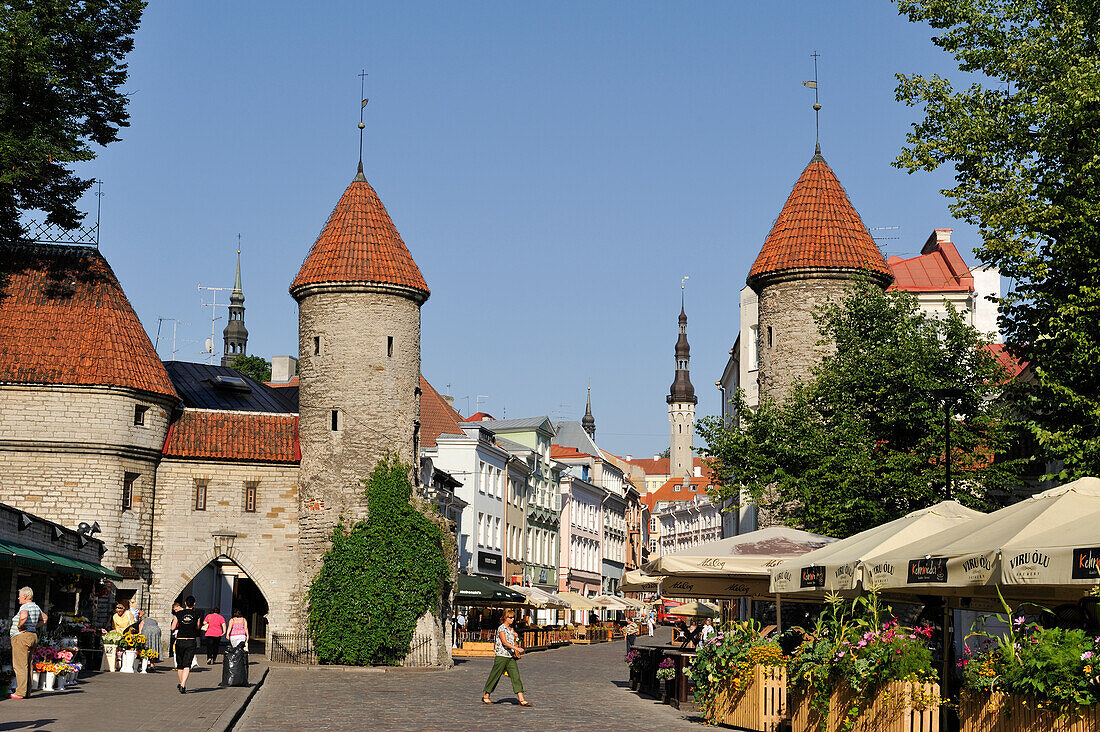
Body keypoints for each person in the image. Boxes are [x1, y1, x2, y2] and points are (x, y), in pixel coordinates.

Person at [481, 609, 532, 707]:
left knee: (515, 676)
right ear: (505, 618)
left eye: (513, 617)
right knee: (495, 676)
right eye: (510, 617)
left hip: (510, 656)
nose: (512, 619)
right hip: (501, 656)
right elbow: (504, 642)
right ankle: (486, 695)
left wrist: (516, 637)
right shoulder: (501, 628)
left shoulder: (510, 629)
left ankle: (521, 699)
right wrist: (517, 648)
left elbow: (513, 640)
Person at [9, 586, 47, 700]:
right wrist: (34, 626)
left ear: (25, 596)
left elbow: (24, 616)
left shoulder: (25, 606)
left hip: (21, 637)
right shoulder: (36, 607)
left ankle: (20, 692)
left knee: (20, 665)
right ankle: (27, 691)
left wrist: (20, 626)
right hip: (32, 636)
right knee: (28, 664)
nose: (18, 598)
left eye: (20, 596)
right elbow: (44, 618)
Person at [171, 596, 202, 693]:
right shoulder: (197, 614)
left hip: (180, 640)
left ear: (185, 603)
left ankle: (182, 684)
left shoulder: (178, 613)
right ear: (194, 604)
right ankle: (183, 684)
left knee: (180, 665)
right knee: (187, 664)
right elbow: (197, 627)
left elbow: (172, 627)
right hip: (191, 641)